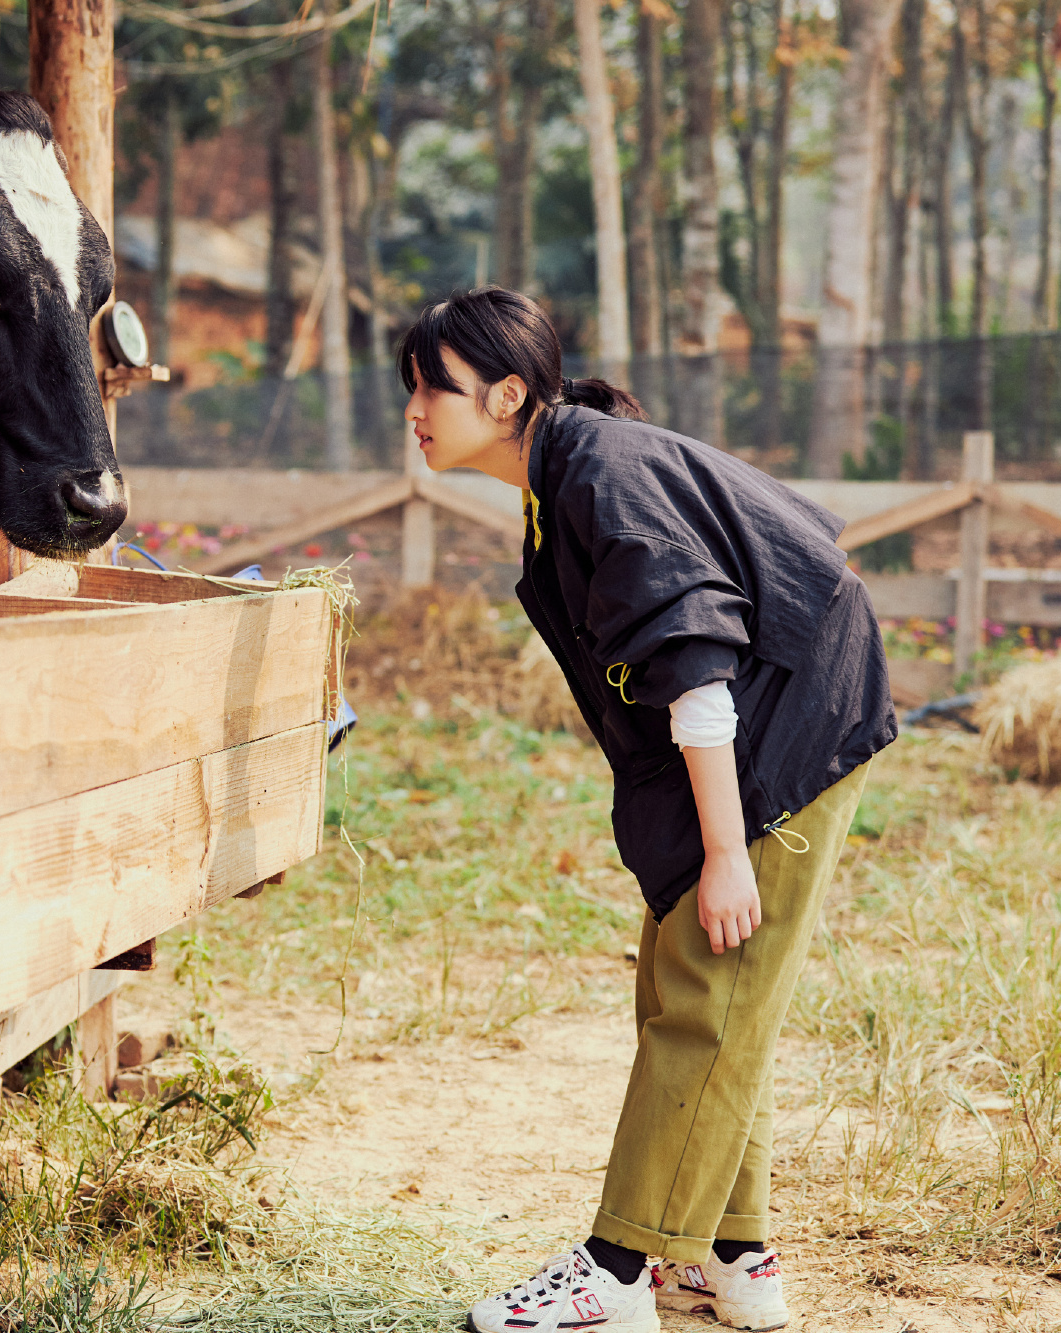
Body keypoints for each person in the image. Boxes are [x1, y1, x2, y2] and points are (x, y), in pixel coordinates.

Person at [398, 289, 896, 1333]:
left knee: (709, 992)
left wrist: (726, 850)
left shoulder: (598, 475)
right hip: (735, 725)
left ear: (504, 395)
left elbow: (696, 667)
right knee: (701, 986)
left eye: (430, 388)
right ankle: (729, 1254)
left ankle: (617, 1273)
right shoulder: (560, 476)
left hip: (786, 721)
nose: (412, 410)